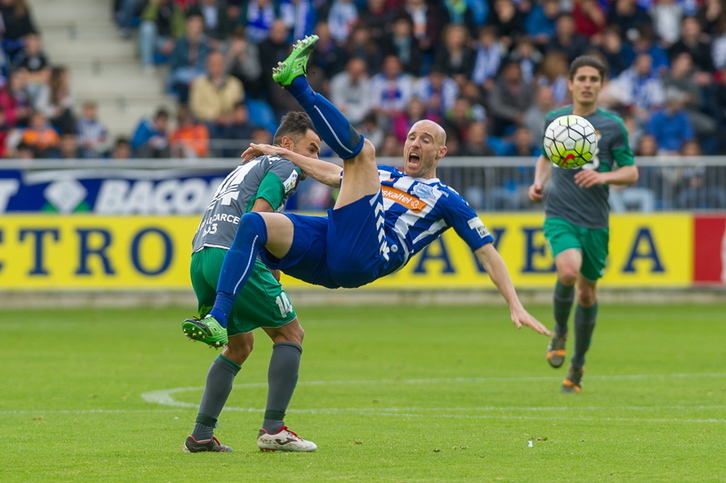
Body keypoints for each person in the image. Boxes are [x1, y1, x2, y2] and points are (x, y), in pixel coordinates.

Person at [182, 35, 550, 357]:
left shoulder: (446, 198)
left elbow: (487, 251)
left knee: (364, 153)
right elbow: (331, 174)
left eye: (426, 139)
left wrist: (514, 304)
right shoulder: (384, 177)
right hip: (336, 251)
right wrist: (280, 153)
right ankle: (218, 318)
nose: (414, 142)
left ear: (441, 153)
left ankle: (298, 85)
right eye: (411, 136)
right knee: (254, 224)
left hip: (370, 254)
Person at [182, 111, 323, 453]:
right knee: (290, 333)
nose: (316, 159)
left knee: (240, 346)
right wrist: (268, 264)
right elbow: (257, 218)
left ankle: (200, 435)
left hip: (201, 256)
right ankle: (274, 429)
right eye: (312, 148)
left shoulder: (244, 168)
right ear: (287, 144)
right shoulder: (284, 165)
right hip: (232, 253)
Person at [528, 55, 639, 393]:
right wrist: (538, 182)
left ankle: (577, 364)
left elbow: (631, 171)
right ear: (571, 84)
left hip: (596, 222)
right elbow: (546, 157)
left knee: (587, 293)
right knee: (567, 271)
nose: (588, 84)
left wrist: (604, 175)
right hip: (560, 213)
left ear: (601, 86)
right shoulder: (556, 119)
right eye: (582, 78)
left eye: (594, 79)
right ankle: (560, 331)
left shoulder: (612, 126)